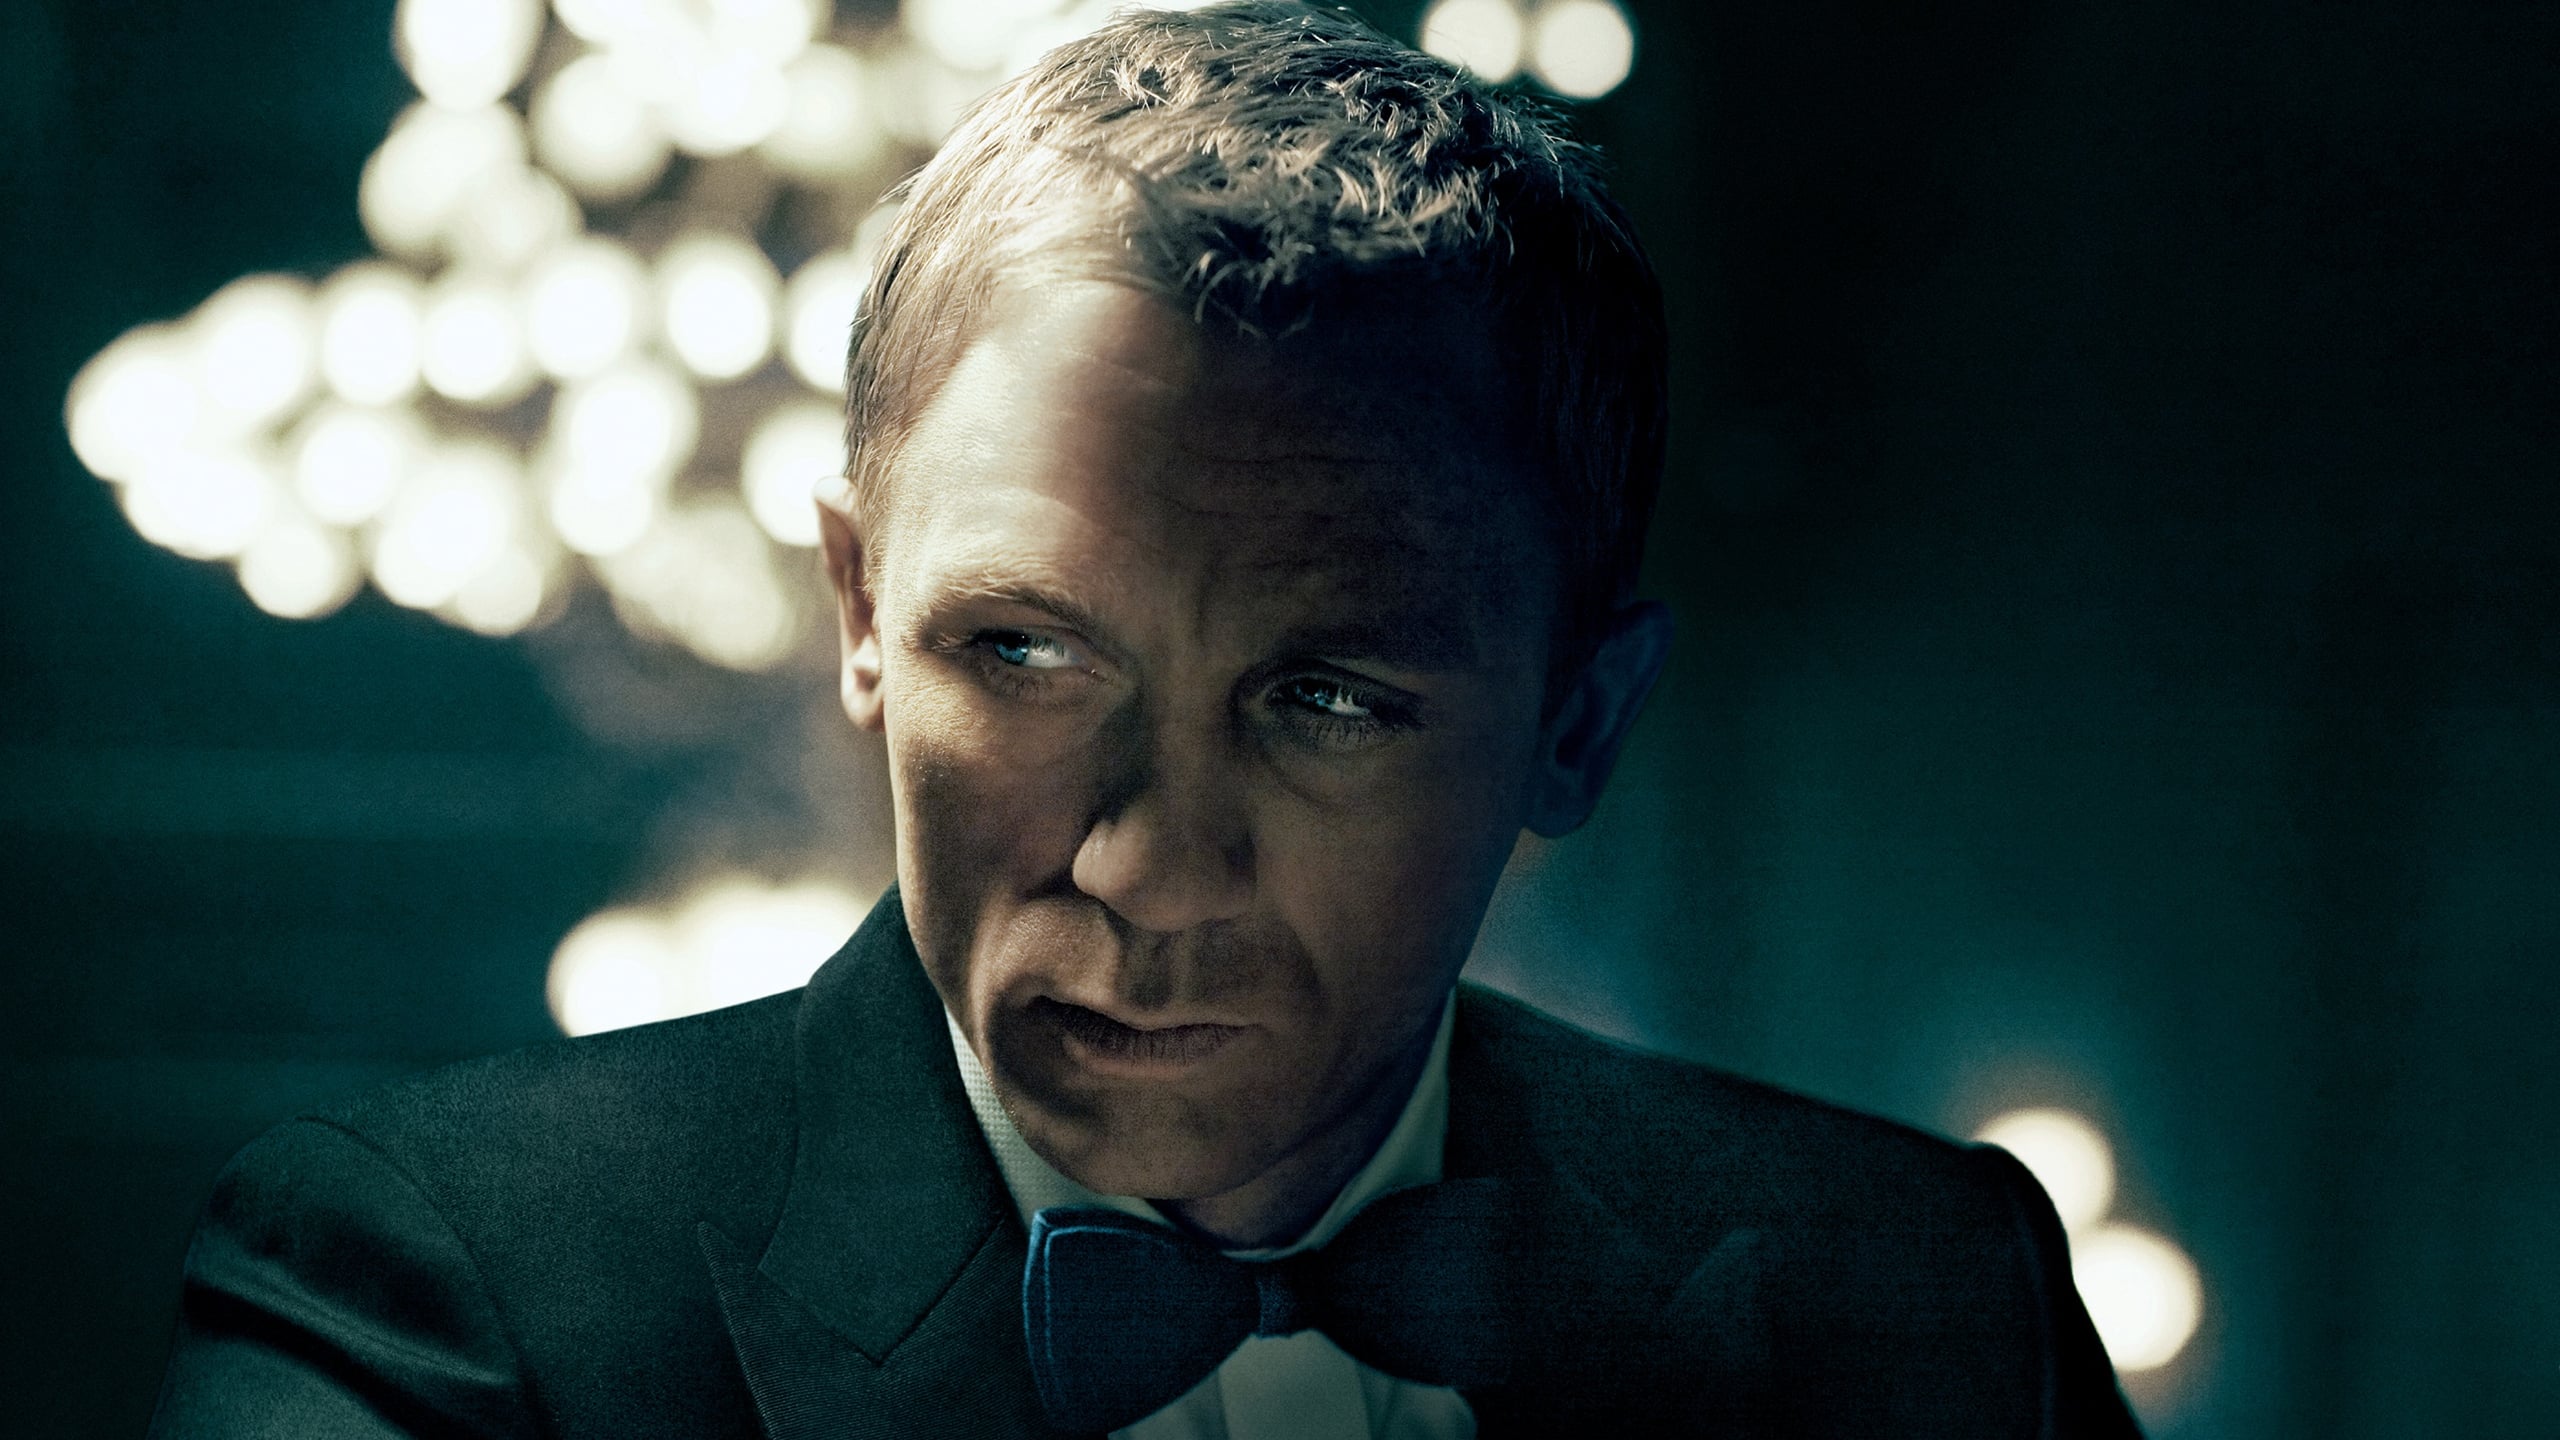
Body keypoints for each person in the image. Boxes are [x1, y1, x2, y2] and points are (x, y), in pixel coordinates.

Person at [149, 4, 2141, 1436]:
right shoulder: (441, 1296)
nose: (1149, 865)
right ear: (860, 610)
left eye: (1327, 700)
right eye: (1024, 654)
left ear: (1579, 720)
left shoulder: (1924, 1311)